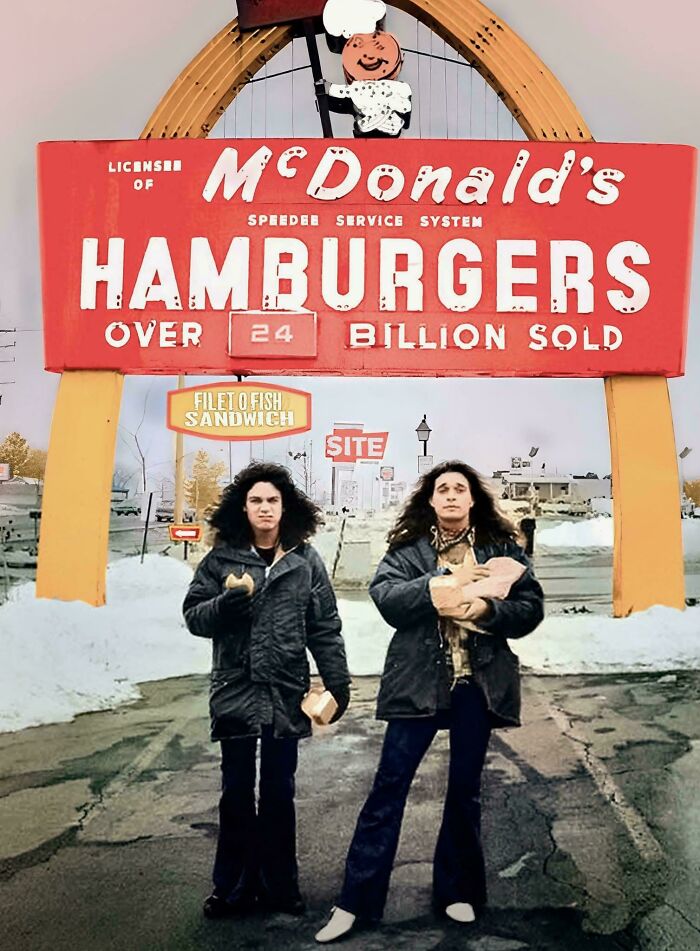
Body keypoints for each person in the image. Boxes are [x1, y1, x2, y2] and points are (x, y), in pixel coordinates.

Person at [316, 461, 544, 942]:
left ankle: (457, 891)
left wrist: (487, 607)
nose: (452, 496)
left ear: (473, 499)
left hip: (475, 686)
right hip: (418, 683)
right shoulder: (409, 551)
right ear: (431, 501)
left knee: (465, 792)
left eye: (461, 488)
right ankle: (354, 902)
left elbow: (530, 607)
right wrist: (440, 582)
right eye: (443, 489)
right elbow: (386, 597)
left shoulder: (501, 549)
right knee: (388, 788)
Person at [182, 462, 351, 920]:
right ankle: (232, 887)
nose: (264, 508)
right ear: (244, 507)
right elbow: (195, 616)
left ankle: (280, 885)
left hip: (285, 691)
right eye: (256, 500)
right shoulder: (222, 558)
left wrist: (338, 682)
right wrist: (226, 604)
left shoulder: (304, 559)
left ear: (285, 507)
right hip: (235, 690)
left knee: (279, 791)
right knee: (235, 792)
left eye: (272, 500)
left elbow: (325, 627)